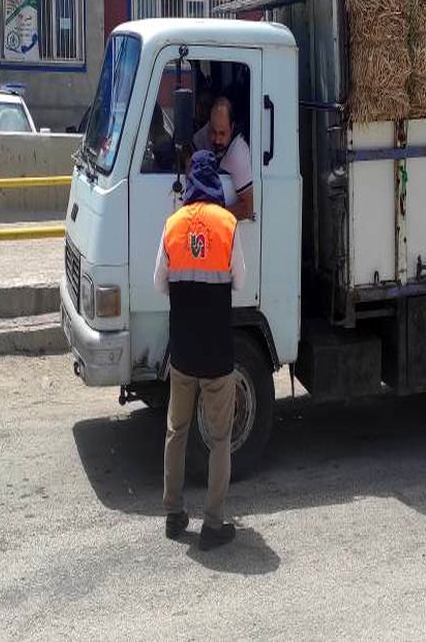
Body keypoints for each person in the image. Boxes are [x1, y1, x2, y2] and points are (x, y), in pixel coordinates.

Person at [153, 150, 247, 551]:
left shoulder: (172, 225)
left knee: (177, 431)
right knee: (220, 438)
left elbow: (159, 283)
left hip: (184, 353)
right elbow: (239, 281)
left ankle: (173, 513)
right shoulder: (227, 224)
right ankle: (213, 522)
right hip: (218, 355)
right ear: (216, 185)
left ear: (191, 183)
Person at [192, 97, 254, 220]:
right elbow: (190, 146)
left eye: (222, 133)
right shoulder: (208, 132)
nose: (217, 139)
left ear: (232, 127)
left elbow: (248, 208)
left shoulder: (238, 153)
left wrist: (211, 216)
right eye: (213, 132)